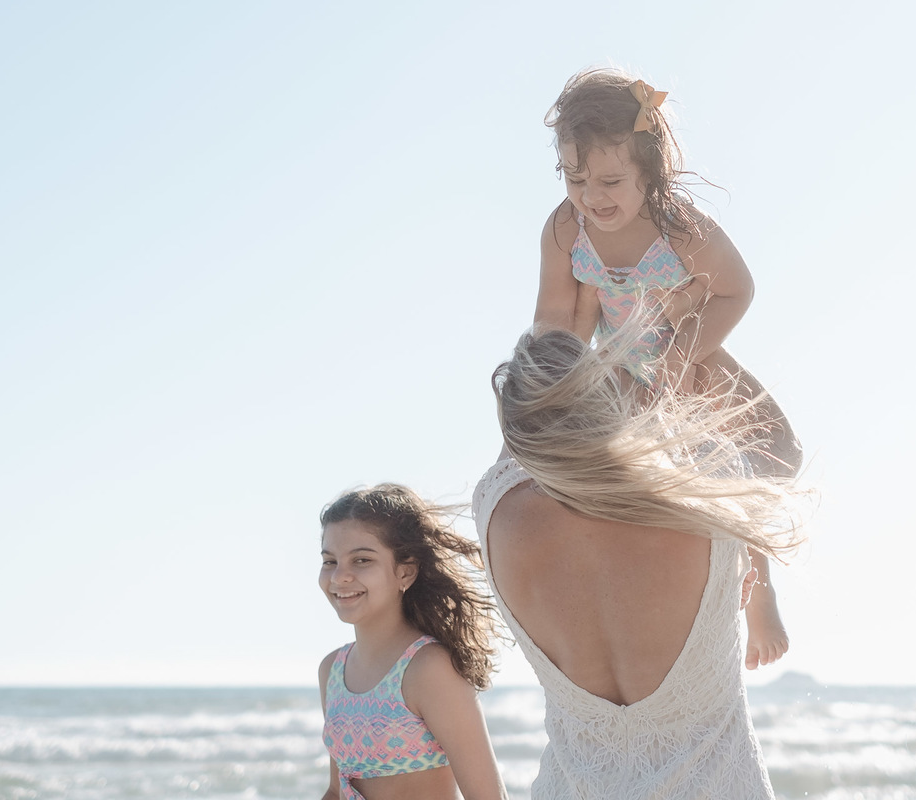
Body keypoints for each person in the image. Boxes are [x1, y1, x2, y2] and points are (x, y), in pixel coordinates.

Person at [533, 66, 800, 669]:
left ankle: (757, 590)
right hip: (620, 364)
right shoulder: (563, 229)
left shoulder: (679, 227)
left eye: (609, 180)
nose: (592, 196)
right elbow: (555, 313)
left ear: (648, 170)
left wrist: (684, 350)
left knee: (738, 468)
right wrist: (556, 381)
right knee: (621, 483)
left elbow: (736, 290)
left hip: (689, 355)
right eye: (575, 178)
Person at [474, 326, 807, 798]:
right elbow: (782, 456)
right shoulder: (702, 484)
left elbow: (530, 427)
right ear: (604, 401)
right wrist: (692, 332)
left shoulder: (496, 509)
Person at [317, 485, 509, 800]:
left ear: (405, 572)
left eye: (362, 560)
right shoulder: (332, 670)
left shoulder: (428, 668)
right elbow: (337, 790)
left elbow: (488, 796)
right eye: (329, 561)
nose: (340, 576)